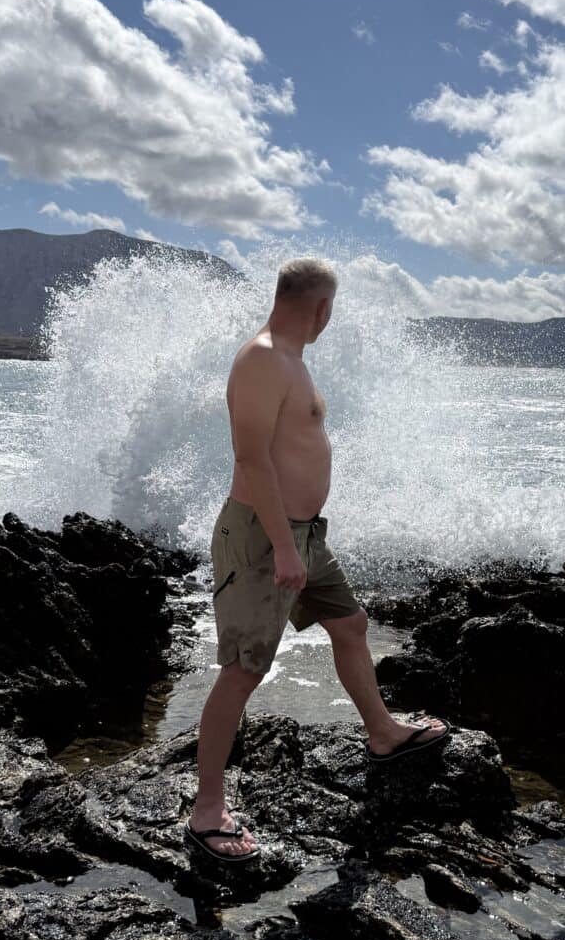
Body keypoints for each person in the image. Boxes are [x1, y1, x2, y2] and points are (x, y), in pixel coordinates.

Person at [185, 257, 450, 865]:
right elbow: (251, 458)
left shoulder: (291, 358)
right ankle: (206, 811)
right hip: (263, 535)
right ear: (322, 307)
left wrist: (297, 540)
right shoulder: (262, 358)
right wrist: (283, 545)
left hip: (303, 533)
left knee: (351, 624)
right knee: (243, 670)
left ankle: (383, 734)